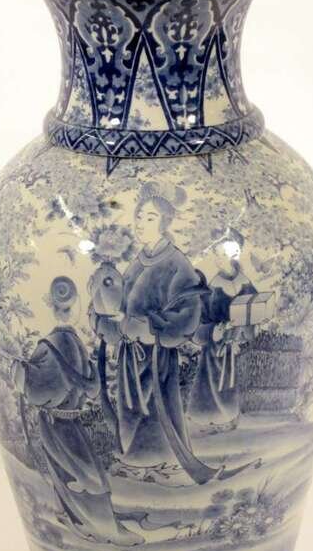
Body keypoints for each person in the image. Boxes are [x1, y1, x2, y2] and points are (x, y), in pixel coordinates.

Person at [91, 181, 219, 484]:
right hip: (130, 354)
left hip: (156, 353)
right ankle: (136, 461)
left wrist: (147, 325)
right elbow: (121, 301)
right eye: (138, 216)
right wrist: (106, 313)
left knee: (153, 409)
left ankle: (156, 463)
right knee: (130, 407)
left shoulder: (177, 264)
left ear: (164, 222)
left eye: (149, 218)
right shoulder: (139, 261)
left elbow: (188, 313)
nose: (140, 223)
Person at [12, 276, 141, 546]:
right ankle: (95, 524)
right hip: (67, 421)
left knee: (78, 472)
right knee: (85, 473)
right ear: (77, 305)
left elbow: (38, 388)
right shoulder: (72, 342)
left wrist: (21, 372)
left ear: (52, 306)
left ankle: (92, 522)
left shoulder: (50, 345)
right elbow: (90, 387)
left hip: (58, 422)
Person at [188, 229, 256, 428]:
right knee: (211, 389)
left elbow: (254, 316)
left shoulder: (247, 286)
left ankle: (230, 420)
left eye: (221, 255)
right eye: (216, 255)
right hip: (213, 355)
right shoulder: (211, 290)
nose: (217, 260)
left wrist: (247, 330)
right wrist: (212, 332)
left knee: (231, 388)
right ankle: (205, 422)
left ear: (233, 256)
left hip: (235, 350)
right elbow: (196, 328)